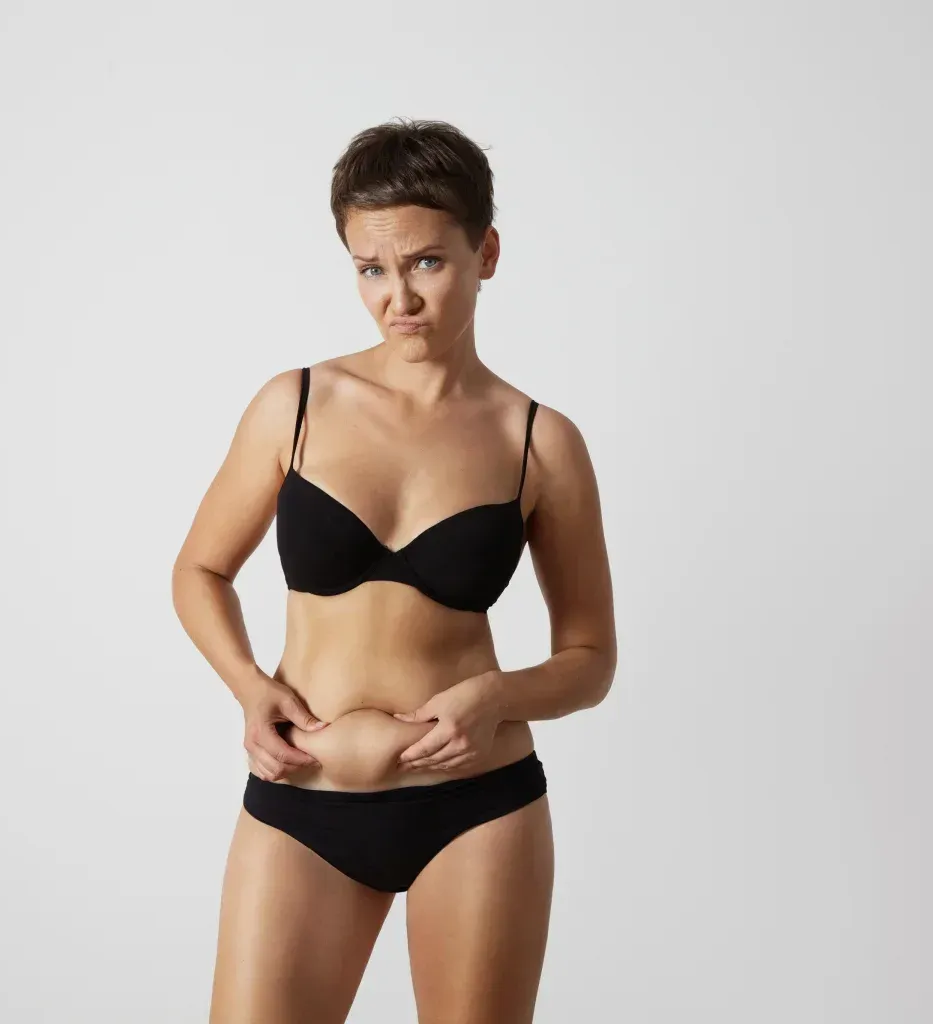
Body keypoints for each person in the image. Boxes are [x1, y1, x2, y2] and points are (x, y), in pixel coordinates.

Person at [171, 117, 616, 1024]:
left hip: (478, 810)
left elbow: (590, 660)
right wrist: (250, 689)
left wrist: (496, 696)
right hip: (302, 801)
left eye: (426, 263)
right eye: (370, 269)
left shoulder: (540, 443)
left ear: (486, 254)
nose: (397, 298)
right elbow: (200, 570)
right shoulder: (295, 405)